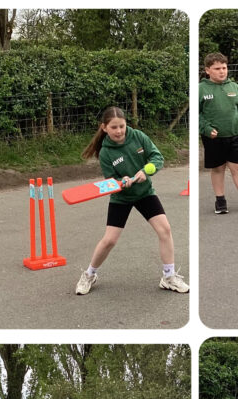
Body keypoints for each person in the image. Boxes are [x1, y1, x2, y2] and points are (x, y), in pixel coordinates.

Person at [75, 106, 189, 295]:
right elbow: (110, 181)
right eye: (114, 127)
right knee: (109, 240)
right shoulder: (105, 153)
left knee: (165, 230)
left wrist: (145, 171)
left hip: (145, 193)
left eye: (122, 126)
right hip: (121, 198)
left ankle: (169, 277)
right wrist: (122, 182)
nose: (119, 131)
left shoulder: (138, 136)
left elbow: (157, 157)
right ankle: (89, 274)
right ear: (104, 128)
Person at [199, 52, 238, 215]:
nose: (222, 71)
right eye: (217, 68)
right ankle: (220, 200)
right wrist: (206, 128)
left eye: (224, 68)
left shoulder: (234, 88)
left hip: (235, 135)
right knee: (218, 169)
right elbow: (196, 114)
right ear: (207, 70)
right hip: (213, 138)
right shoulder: (201, 89)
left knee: (237, 167)